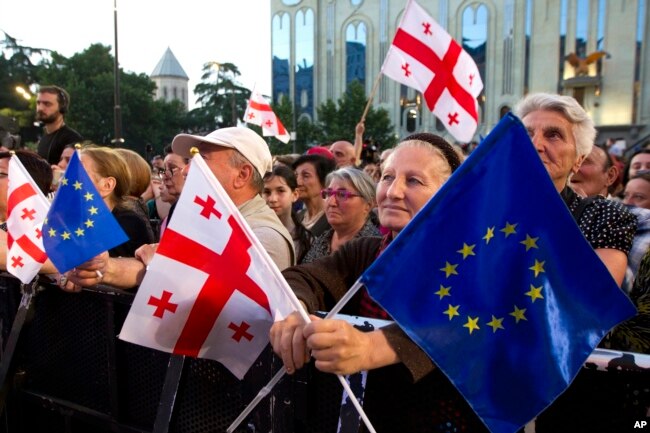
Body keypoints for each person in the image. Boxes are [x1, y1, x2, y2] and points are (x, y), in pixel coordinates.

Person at [270, 133, 486, 432]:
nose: (393, 191)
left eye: (414, 181)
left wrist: (374, 346)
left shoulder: (471, 262)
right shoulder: (368, 251)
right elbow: (305, 276)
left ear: (448, 196)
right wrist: (295, 310)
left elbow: (456, 327)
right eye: (387, 177)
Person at [63, 127, 295, 291]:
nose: (185, 171)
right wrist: (103, 268)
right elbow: (149, 270)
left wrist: (163, 264)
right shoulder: (206, 221)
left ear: (241, 175)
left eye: (202, 160)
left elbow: (219, 299)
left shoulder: (264, 237)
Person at [515, 93, 636, 287]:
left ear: (578, 160)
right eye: (526, 134)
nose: (535, 144)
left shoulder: (603, 217)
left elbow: (594, 302)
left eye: (553, 135)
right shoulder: (484, 209)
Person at [79, 146, 154, 257]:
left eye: (79, 174)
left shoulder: (127, 223)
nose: (67, 179)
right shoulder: (73, 218)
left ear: (107, 185)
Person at [301, 167, 380, 264]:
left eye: (342, 194)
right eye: (329, 193)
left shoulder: (375, 248)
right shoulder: (323, 238)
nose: (331, 202)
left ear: (368, 205)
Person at [263, 165, 312, 263]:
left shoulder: (307, 240)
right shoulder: (254, 232)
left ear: (295, 194)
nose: (273, 199)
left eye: (280, 191)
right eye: (267, 192)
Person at [35, 86, 83, 165]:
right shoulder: (44, 137)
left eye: (47, 104)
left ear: (62, 108)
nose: (40, 108)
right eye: (38, 103)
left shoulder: (72, 139)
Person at [293, 154, 336, 238]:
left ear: (324, 181)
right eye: (296, 176)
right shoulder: (298, 217)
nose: (298, 182)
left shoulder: (332, 218)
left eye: (306, 176)